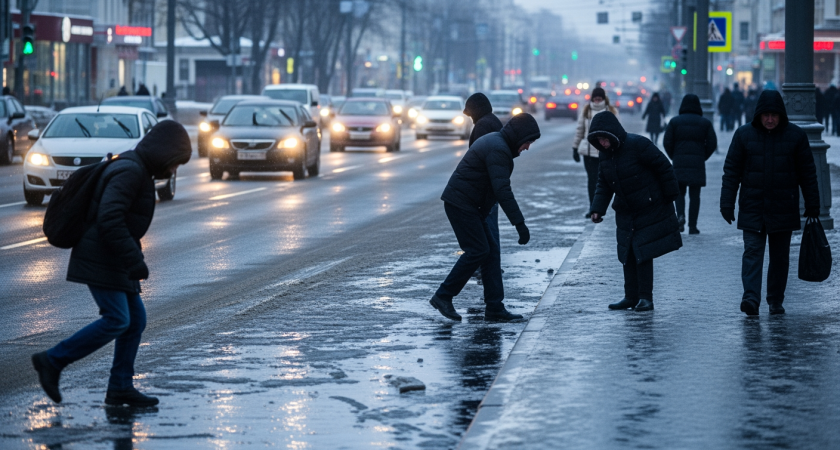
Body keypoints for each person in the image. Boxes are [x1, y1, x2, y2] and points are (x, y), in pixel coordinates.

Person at [31, 121, 192, 406]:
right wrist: (135, 260)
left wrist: (130, 258)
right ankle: (52, 361)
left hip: (112, 254)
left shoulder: (137, 168)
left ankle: (120, 386)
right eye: (176, 163)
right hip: (102, 255)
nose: (174, 170)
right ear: (164, 153)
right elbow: (109, 219)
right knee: (117, 319)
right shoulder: (130, 171)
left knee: (135, 320)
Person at [430, 113, 541, 322]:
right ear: (520, 136)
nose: (527, 148)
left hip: (471, 206)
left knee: (491, 253)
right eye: (528, 142)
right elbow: (502, 191)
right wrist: (520, 224)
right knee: (478, 250)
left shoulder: (499, 144)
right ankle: (443, 296)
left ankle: (495, 308)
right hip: (460, 204)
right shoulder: (498, 148)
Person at [720, 90, 820, 316]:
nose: (770, 119)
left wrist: (813, 203)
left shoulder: (795, 136)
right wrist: (727, 202)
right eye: (766, 115)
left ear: (781, 115)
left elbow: (808, 173)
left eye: (774, 115)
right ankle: (751, 298)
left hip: (783, 208)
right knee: (752, 252)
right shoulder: (744, 135)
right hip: (753, 207)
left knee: (779, 258)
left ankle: (775, 300)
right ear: (759, 114)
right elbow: (731, 172)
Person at [589, 112, 682, 312]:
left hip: (648, 207)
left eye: (605, 139)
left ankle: (645, 298)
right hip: (625, 210)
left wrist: (669, 196)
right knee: (627, 253)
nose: (603, 143)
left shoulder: (638, 145)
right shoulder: (605, 155)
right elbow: (603, 184)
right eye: (599, 140)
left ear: (613, 134)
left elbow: (664, 167)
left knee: (643, 252)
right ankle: (630, 297)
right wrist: (597, 209)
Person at [463, 92, 504, 280]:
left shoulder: (483, 126)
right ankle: (490, 265)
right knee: (489, 228)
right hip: (490, 185)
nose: (470, 118)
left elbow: (479, 159)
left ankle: (489, 266)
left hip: (485, 187)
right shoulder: (491, 122)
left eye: (471, 114)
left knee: (487, 228)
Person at [663, 94, 717, 234]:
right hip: (697, 164)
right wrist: (702, 156)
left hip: (679, 163)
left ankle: (680, 217)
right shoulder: (705, 123)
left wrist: (674, 156)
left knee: (679, 193)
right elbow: (712, 143)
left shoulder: (675, 122)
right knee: (695, 195)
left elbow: (667, 142)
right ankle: (693, 226)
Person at [572, 86, 618, 216]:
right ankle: (593, 208)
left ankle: (601, 207)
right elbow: (580, 130)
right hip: (588, 152)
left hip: (605, 152)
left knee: (603, 181)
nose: (597, 101)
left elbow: (617, 131)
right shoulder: (586, 111)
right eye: (595, 99)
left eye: (599, 99)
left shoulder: (611, 111)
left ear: (603, 99)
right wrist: (575, 148)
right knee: (591, 180)